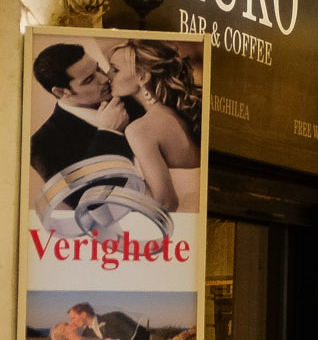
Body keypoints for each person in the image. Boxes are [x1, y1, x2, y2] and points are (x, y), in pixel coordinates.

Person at [106, 40, 202, 213]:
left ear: (143, 77)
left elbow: (165, 204)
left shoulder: (140, 129)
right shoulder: (174, 114)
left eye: (115, 69)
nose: (108, 75)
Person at [29, 42, 135, 189]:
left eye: (98, 68)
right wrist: (109, 134)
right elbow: (81, 197)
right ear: (61, 92)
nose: (104, 79)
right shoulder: (42, 146)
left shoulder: (128, 95)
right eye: (89, 80)